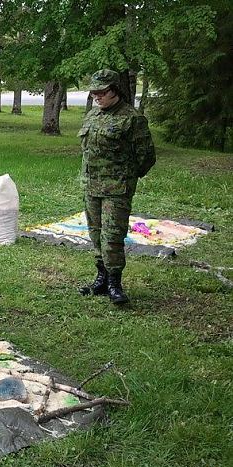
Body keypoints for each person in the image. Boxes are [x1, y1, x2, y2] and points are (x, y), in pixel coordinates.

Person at [78, 69, 156, 304]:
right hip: (91, 185)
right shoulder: (93, 115)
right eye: (94, 93)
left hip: (117, 189)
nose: (97, 97)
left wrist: (126, 177)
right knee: (96, 233)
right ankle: (101, 278)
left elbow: (146, 157)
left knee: (112, 236)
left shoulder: (132, 118)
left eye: (102, 92)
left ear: (115, 91)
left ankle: (114, 283)